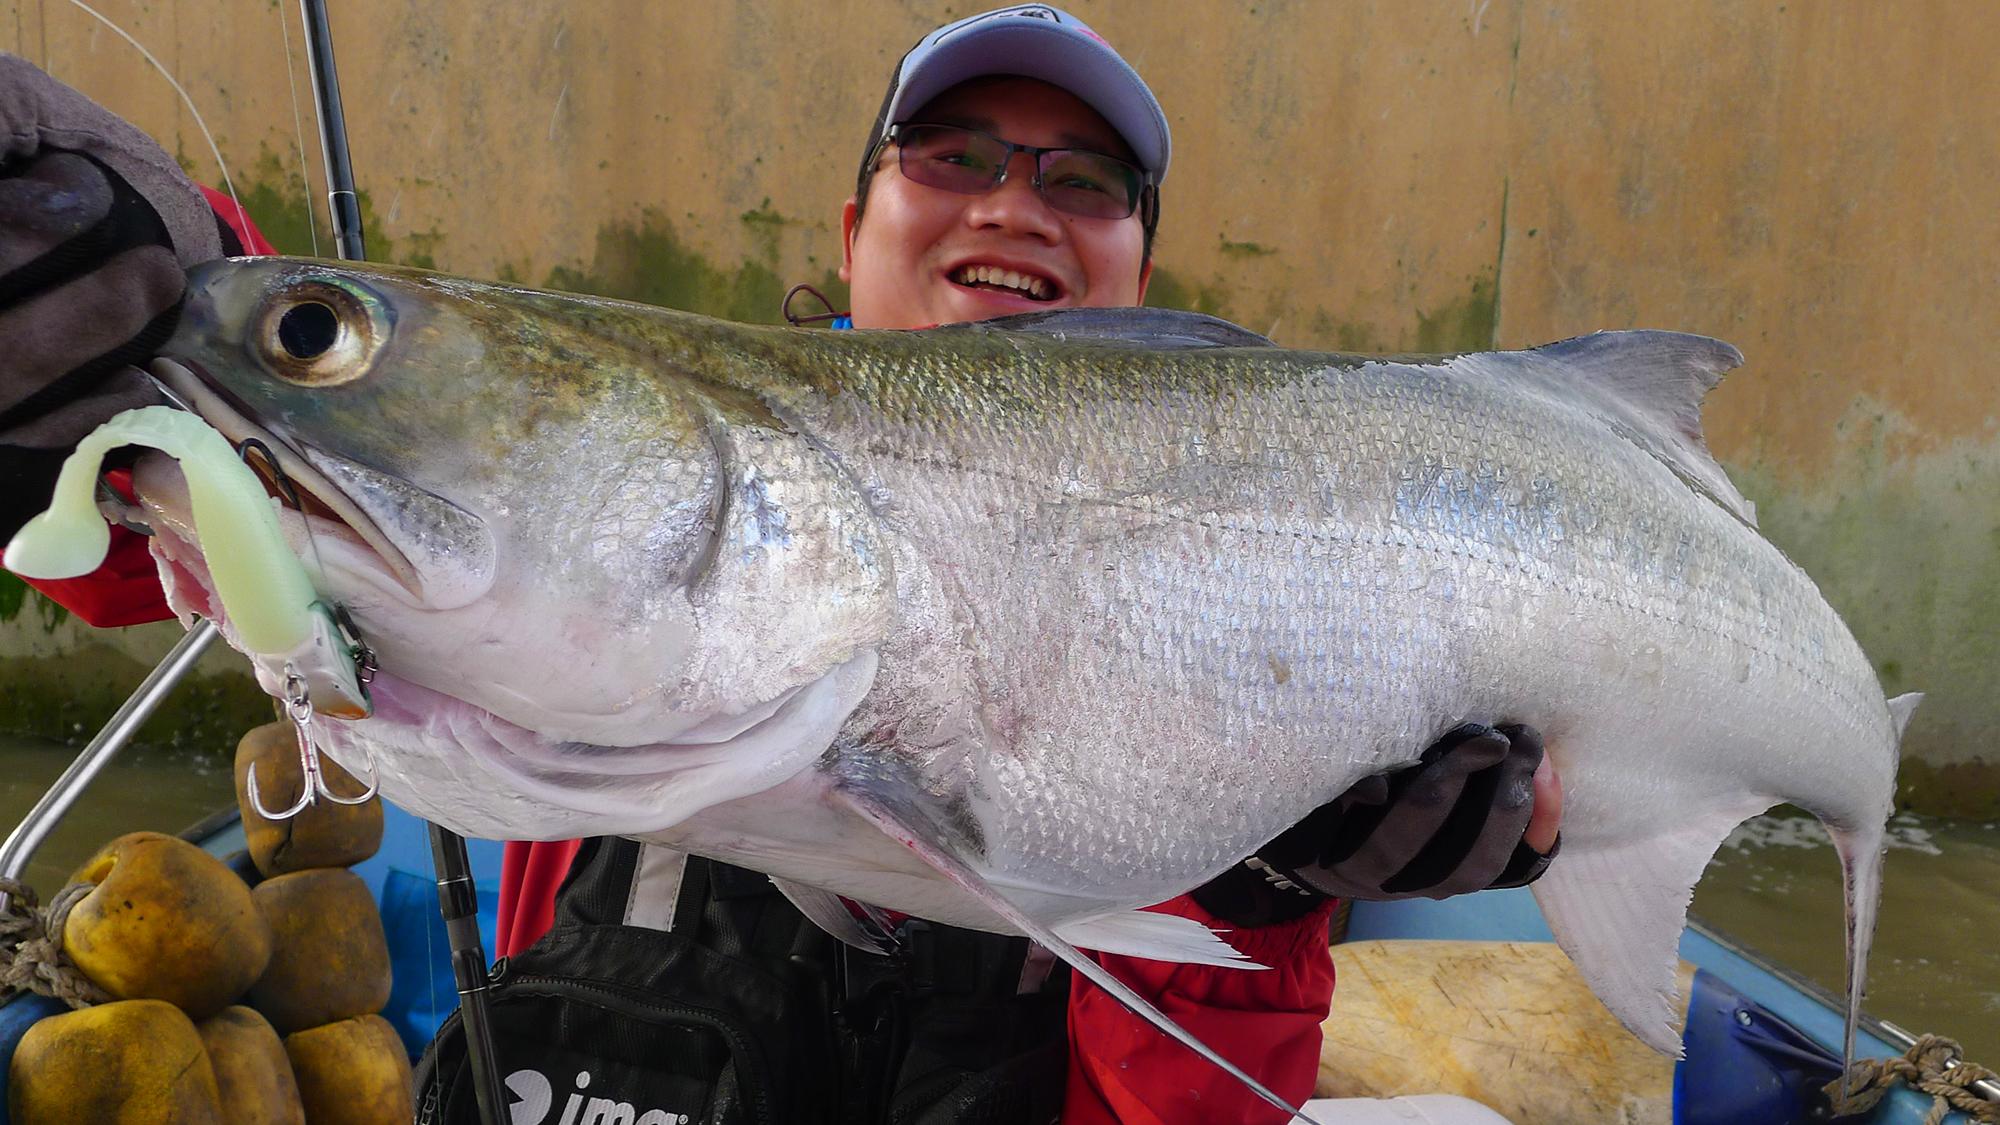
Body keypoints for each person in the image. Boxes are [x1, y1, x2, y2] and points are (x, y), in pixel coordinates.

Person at [1, 8, 1557, 1120]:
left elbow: (1188, 1108)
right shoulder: (658, 471)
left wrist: (1263, 891)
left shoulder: (1266, 551)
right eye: (952, 154)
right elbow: (218, 536)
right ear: (856, 217)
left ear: (1142, 274)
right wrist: (141, 334)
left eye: (1082, 182)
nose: (1014, 199)